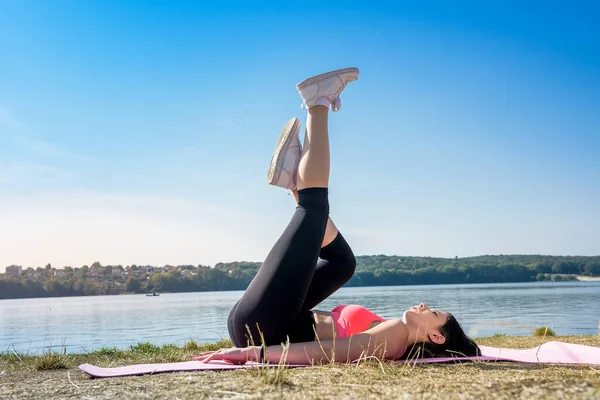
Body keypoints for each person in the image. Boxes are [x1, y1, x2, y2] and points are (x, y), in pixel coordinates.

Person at [196, 68, 480, 365]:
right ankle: (295, 185)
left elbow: (328, 353)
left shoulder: (397, 334)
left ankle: (317, 102)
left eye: (433, 313)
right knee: (343, 263)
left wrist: (252, 354)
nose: (425, 305)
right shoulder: (394, 333)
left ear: (436, 337)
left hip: (263, 330)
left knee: (315, 207)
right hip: (264, 322)